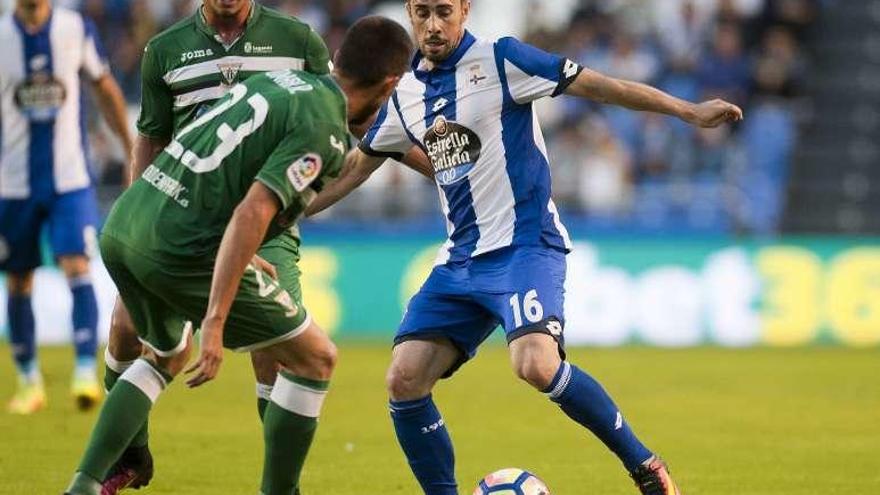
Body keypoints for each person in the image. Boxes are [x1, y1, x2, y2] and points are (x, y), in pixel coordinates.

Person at [306, 1, 743, 494]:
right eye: (422, 11)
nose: (433, 24)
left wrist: (687, 110)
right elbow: (352, 173)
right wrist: (277, 210)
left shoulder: (503, 59)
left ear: (465, 11)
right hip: (461, 259)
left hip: (525, 246)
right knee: (403, 379)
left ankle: (645, 465)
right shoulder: (405, 93)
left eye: (444, 11)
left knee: (534, 363)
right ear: (409, 13)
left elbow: (602, 85)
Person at [62, 15, 414, 495]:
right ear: (390, 83)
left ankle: (83, 483)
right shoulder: (325, 131)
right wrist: (216, 319)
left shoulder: (278, 80)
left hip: (128, 219)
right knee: (315, 358)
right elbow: (253, 211)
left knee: (165, 353)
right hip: (180, 246)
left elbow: (218, 165)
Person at [99, 1, 335, 491]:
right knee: (124, 328)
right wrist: (141, 207)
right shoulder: (164, 50)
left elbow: (338, 113)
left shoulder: (299, 41)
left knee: (279, 351)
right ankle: (131, 454)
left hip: (263, 221)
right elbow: (151, 137)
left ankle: (280, 485)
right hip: (180, 220)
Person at [0, 0, 132, 414]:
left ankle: (83, 373)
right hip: (13, 183)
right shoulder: (2, 36)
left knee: (76, 263)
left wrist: (130, 150)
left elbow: (105, 87)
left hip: (70, 179)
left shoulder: (74, 28)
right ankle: (28, 382)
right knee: (19, 279)